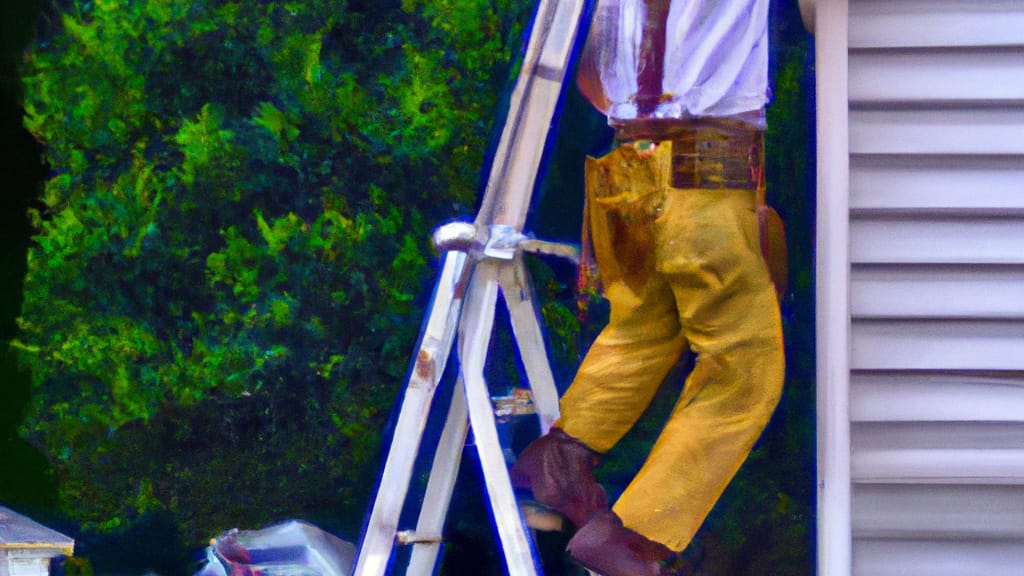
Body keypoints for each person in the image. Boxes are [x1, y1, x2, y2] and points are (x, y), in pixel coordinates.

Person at [509, 1, 785, 575]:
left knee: (642, 329)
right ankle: (636, 535)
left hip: (627, 156)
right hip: (709, 159)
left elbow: (584, 63)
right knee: (744, 368)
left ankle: (558, 460)